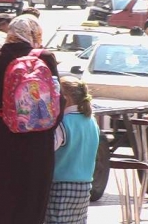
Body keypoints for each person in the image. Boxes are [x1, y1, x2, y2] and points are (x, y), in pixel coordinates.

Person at [0, 14, 65, 223]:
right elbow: (58, 103)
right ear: (34, 33)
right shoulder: (44, 58)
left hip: (2, 147)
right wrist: (42, 127)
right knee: (32, 203)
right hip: (38, 149)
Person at [46, 76, 99, 224]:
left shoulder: (62, 124)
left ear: (65, 99)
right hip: (84, 186)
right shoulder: (92, 122)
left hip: (61, 185)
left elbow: (49, 150)